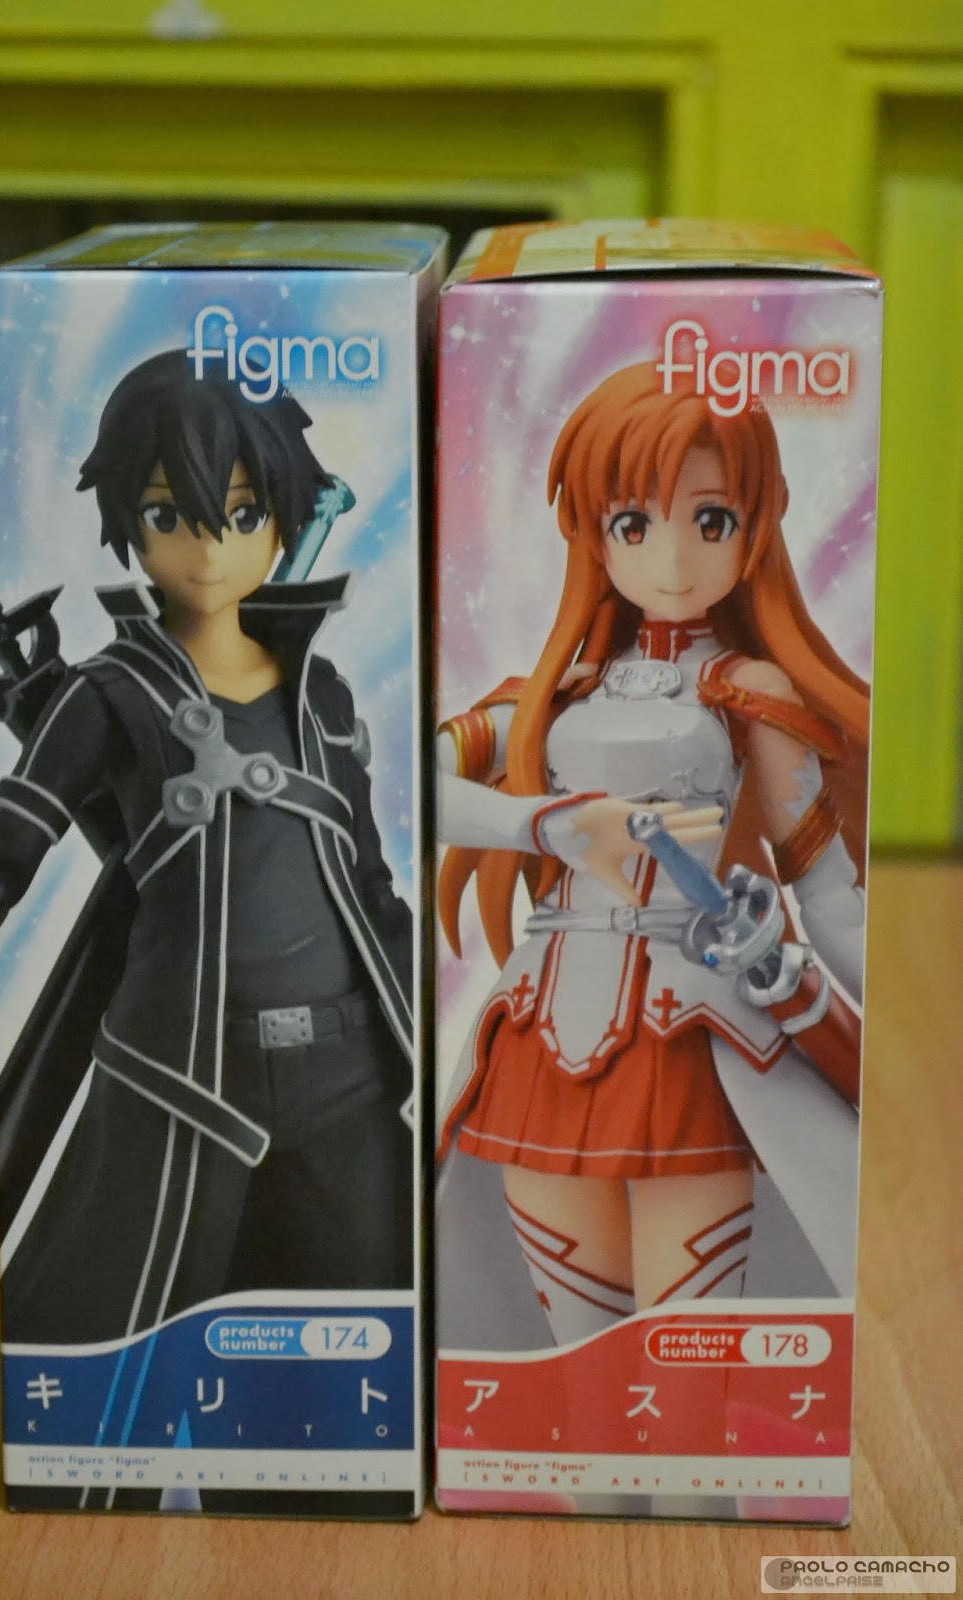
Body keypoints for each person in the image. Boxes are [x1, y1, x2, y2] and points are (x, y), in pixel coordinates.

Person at [0, 349, 414, 1351]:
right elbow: (2, 861)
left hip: (348, 1078)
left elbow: (369, 887)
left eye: (242, 511)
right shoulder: (106, 693)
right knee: (110, 1352)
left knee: (358, 1340)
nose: (210, 547)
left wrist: (429, 1035)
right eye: (170, 513)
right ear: (131, 525)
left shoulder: (322, 695)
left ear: (284, 514)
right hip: (179, 1076)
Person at [436, 359, 867, 1349]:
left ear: (754, 525)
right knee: (578, 1359)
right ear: (594, 531)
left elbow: (826, 891)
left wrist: (883, 1034)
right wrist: (549, 826)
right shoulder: (556, 695)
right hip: (545, 1027)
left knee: (683, 1358)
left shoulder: (749, 690)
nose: (671, 557)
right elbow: (406, 784)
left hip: (693, 1031)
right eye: (634, 522)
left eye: (710, 520)